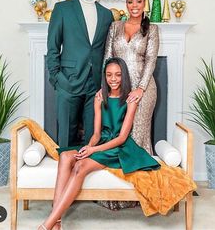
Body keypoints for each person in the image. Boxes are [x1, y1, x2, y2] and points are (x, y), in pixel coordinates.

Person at [38, 57, 160, 230]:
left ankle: (46, 225)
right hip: (100, 141)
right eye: (109, 75)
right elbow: (96, 133)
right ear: (105, 76)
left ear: (123, 76)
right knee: (66, 156)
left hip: (118, 147)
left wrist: (94, 149)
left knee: (79, 167)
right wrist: (89, 147)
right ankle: (56, 223)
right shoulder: (99, 97)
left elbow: (122, 138)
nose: (113, 79)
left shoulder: (130, 100)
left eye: (118, 75)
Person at [98, 0, 159, 210]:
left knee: (136, 140)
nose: (134, 5)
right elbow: (107, 58)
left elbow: (151, 60)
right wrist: (102, 88)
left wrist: (141, 89)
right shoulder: (115, 26)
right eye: (130, 1)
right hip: (117, 89)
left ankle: (139, 195)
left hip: (143, 92)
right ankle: (114, 193)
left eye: (138, 1)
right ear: (126, 4)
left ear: (144, 4)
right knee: (116, 137)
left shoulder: (152, 29)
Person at [47, 0, 113, 147]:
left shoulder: (107, 15)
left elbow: (105, 50)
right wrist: (58, 79)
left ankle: (86, 174)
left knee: (93, 138)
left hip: (95, 87)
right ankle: (65, 174)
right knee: (66, 139)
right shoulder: (62, 9)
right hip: (68, 82)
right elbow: (52, 49)